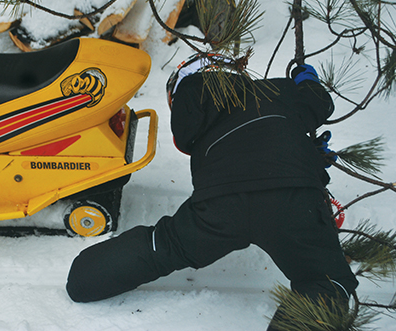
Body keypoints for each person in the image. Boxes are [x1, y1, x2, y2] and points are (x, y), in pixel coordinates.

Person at [65, 53, 358, 330]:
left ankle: (83, 278)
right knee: (327, 283)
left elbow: (195, 142)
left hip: (219, 205)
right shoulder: (274, 91)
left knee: (163, 245)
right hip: (291, 198)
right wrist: (306, 85)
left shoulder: (191, 115)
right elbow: (319, 102)